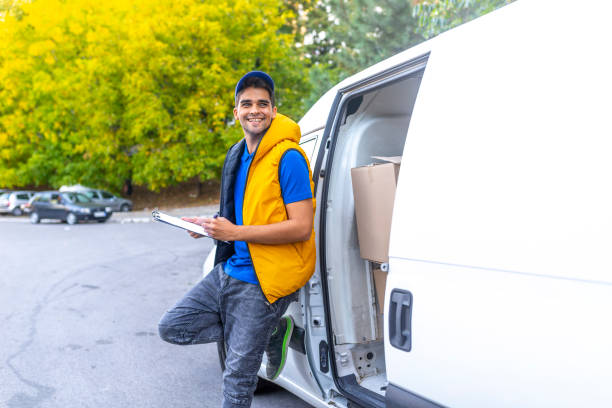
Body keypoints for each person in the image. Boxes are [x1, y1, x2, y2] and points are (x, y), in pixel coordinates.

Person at [158, 71, 316, 408]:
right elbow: (238, 217)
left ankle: (261, 329)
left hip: (265, 281)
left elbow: (302, 227)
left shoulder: (288, 158)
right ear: (236, 112)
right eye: (247, 104)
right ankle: (269, 332)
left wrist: (236, 233)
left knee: (237, 380)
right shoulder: (237, 156)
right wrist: (209, 226)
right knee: (172, 327)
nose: (254, 110)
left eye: (263, 103)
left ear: (274, 111)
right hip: (230, 270)